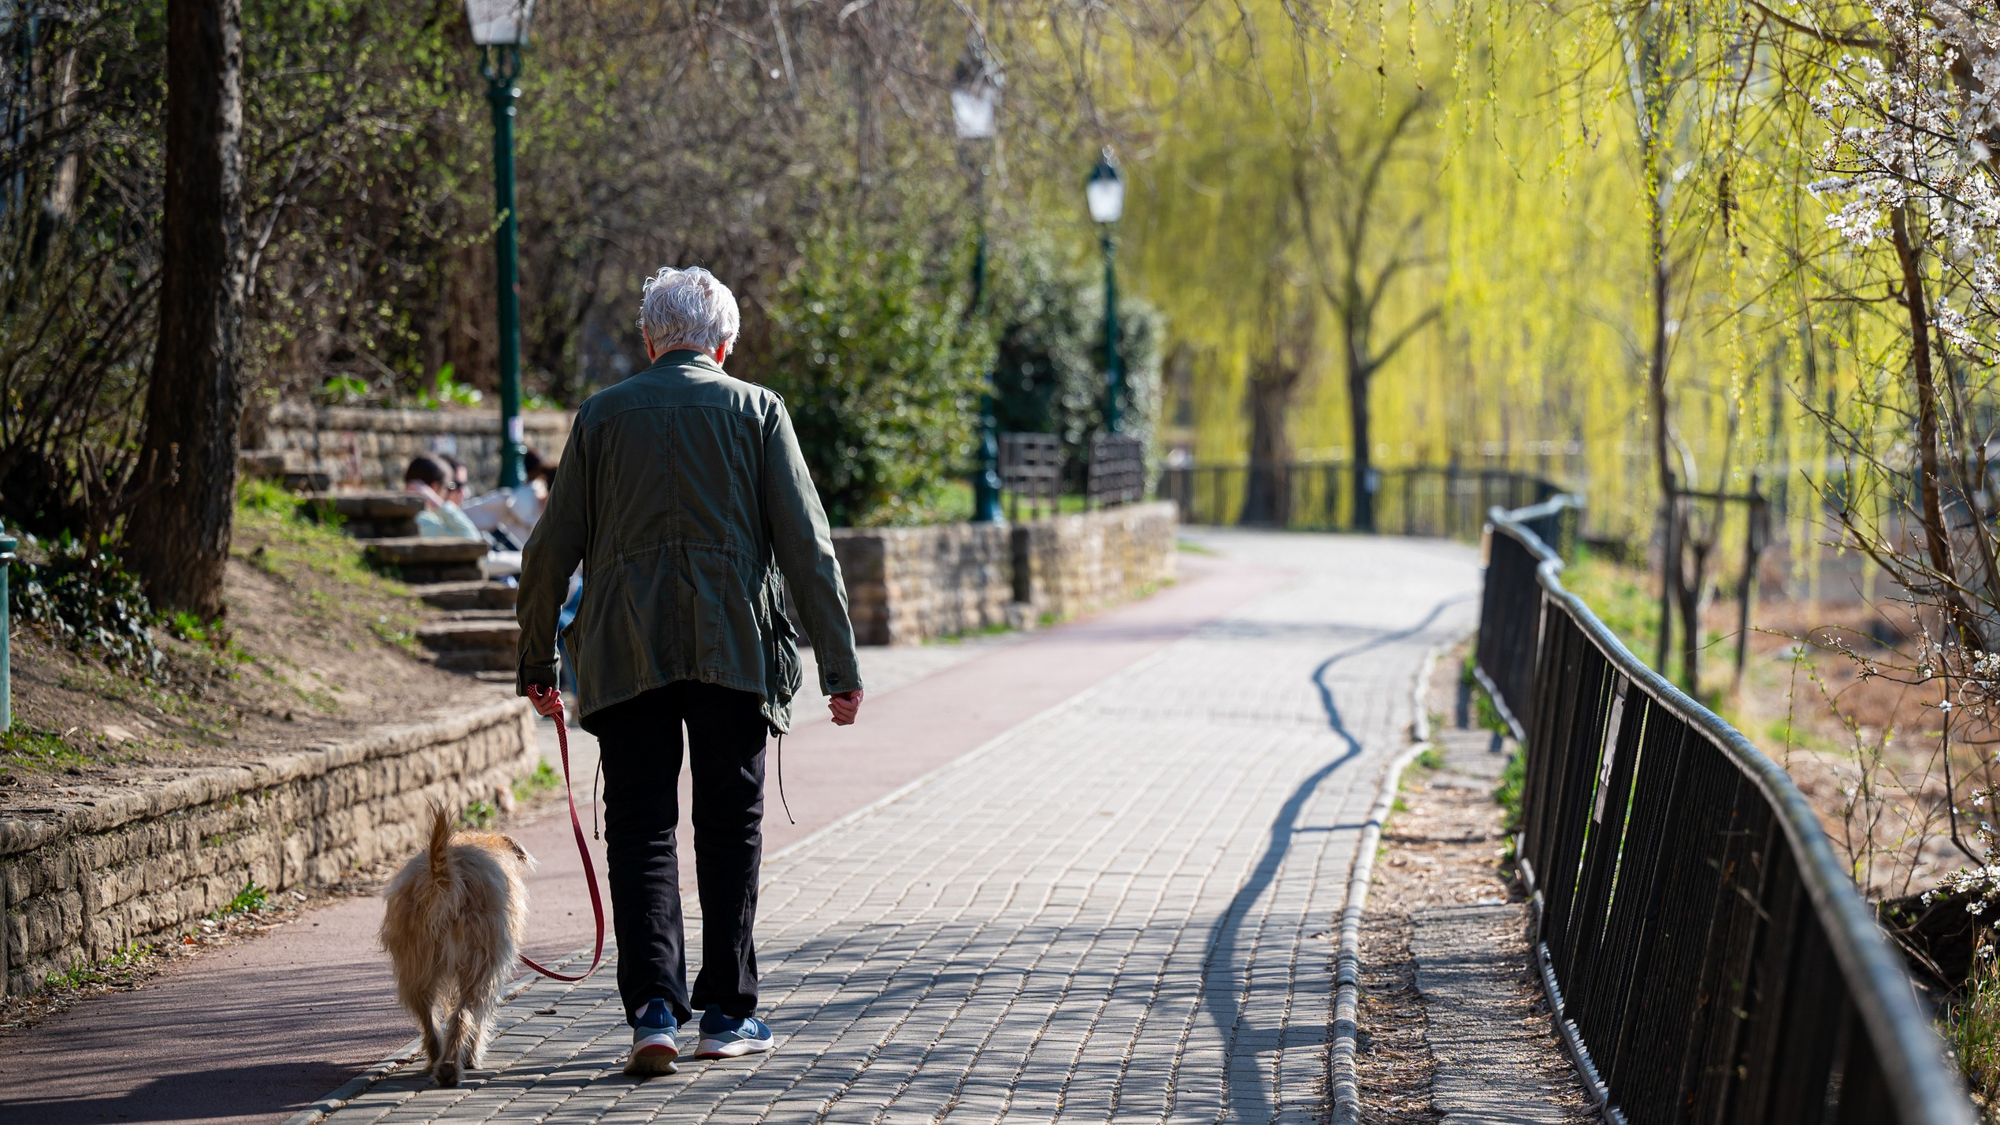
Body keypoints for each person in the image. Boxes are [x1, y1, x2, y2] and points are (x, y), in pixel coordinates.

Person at [515, 265, 865, 1077]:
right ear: (724, 342)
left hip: (624, 650)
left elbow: (545, 556)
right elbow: (808, 550)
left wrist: (535, 658)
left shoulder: (601, 418)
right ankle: (726, 1012)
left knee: (640, 827)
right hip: (734, 648)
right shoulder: (758, 410)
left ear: (648, 340)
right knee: (729, 824)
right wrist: (838, 667)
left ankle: (653, 1011)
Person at [403, 455, 481, 539]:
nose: (447, 491)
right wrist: (436, 501)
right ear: (434, 487)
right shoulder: (426, 521)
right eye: (448, 486)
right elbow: (472, 537)